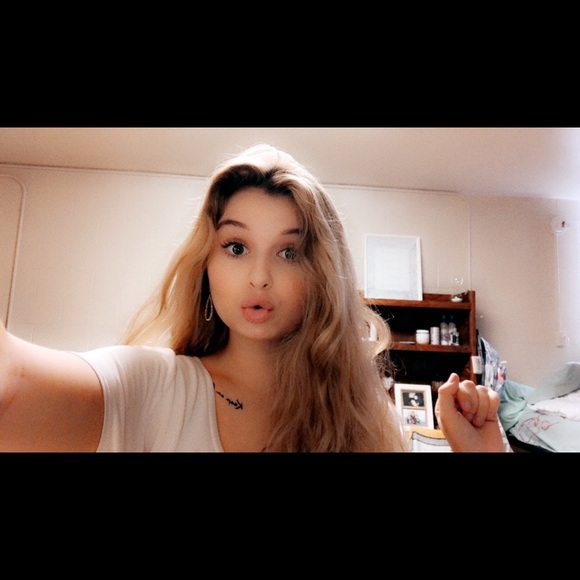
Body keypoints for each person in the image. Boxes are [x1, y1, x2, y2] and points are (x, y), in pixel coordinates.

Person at [0, 144, 504, 452]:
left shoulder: (364, 419)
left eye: (289, 252)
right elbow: (15, 382)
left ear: (320, 275)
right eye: (236, 247)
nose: (259, 277)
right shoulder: (150, 388)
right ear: (206, 263)